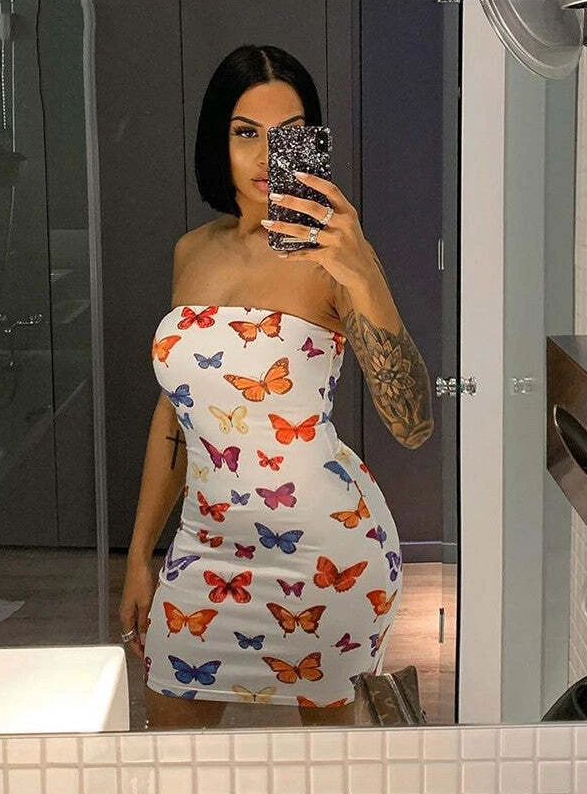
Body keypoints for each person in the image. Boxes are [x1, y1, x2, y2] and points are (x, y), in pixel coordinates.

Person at [119, 44, 433, 730]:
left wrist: (364, 272)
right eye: (245, 133)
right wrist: (141, 554)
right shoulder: (191, 252)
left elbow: (412, 424)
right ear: (217, 140)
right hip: (203, 551)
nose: (266, 157)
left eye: (287, 136)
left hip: (326, 553)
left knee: (330, 770)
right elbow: (176, 415)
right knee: (171, 764)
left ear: (311, 145)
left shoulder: (333, 257)